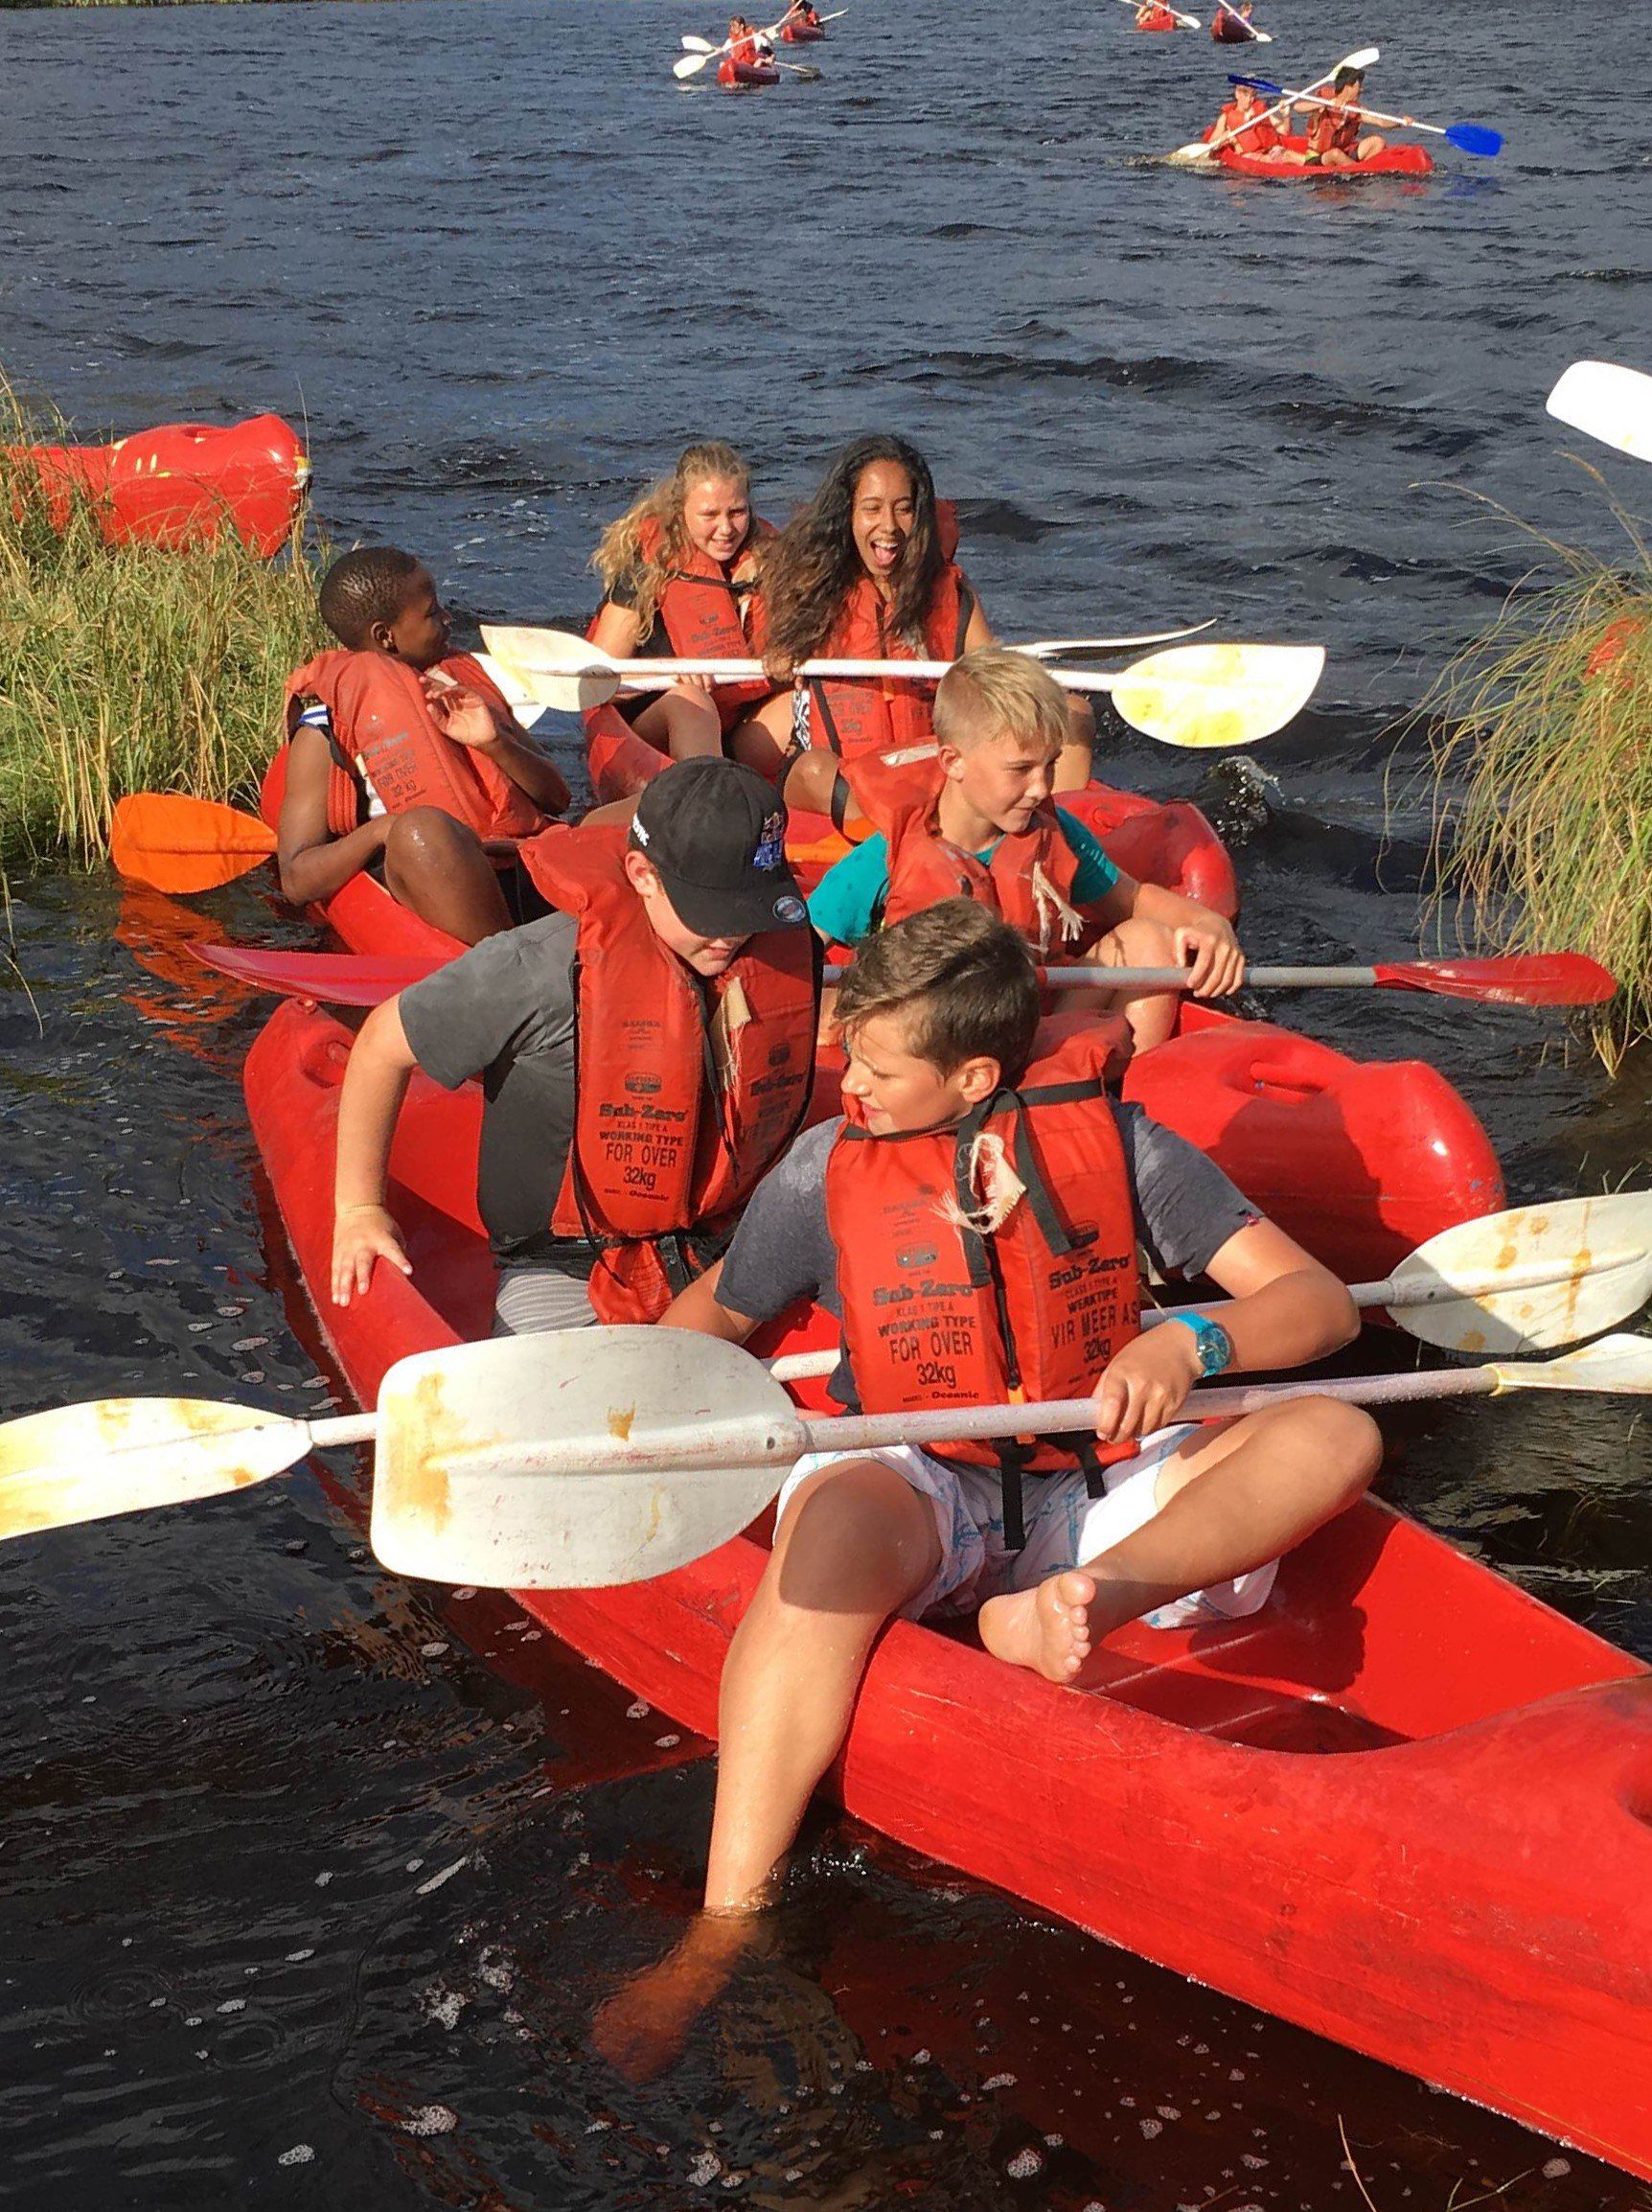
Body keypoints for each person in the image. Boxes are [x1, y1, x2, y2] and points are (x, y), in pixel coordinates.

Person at [596, 904, 1377, 2064]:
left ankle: (1087, 1601)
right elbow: (718, 1313)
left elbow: (1316, 1305)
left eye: (875, 1063)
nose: (845, 1079)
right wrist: (637, 1409)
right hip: (922, 1476)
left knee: (1335, 1434)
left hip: (1089, 1479)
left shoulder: (1124, 1147)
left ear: (971, 1072)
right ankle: (720, 1931)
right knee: (835, 1526)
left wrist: (1187, 1346)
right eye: (849, 1051)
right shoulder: (825, 1169)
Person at [329, 757, 821, 1335]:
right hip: (571, 1265)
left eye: (750, 911)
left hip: (725, 1239)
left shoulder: (777, 950)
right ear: (642, 875)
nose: (732, 934)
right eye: (712, 912)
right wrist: (360, 1210)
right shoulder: (538, 969)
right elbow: (382, 1044)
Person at [807, 649, 1244, 1056]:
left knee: (1148, 939)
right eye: (1020, 770)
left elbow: (1131, 900)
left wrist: (1206, 922)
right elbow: (801, 951)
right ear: (952, 761)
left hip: (1036, 1035)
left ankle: (1118, 1100)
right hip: (939, 1052)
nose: (1042, 788)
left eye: (1050, 764)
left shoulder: (1056, 834)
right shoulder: (884, 858)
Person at [730, 434, 1095, 835]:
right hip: (842, 773)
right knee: (813, 768)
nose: (889, 526)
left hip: (926, 766)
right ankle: (903, 845)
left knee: (1075, 712)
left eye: (903, 509)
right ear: (848, 514)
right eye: (872, 509)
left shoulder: (949, 592)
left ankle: (1054, 843)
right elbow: (756, 671)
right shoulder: (810, 584)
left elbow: (994, 678)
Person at [273, 547, 570, 945]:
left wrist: (496, 743)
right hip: (437, 884)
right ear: (385, 636)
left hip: (520, 865)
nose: (448, 618)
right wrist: (384, 829)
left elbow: (557, 799)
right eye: (432, 613)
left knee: (657, 799)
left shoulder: (462, 688)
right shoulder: (323, 733)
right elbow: (296, 878)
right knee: (421, 829)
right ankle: (510, 975)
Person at [587, 443, 769, 769]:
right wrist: (674, 674)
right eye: (709, 515)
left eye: (737, 512)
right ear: (681, 510)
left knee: (808, 699)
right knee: (690, 700)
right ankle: (707, 806)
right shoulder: (648, 566)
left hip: (735, 726)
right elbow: (597, 681)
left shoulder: (771, 561)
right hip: (654, 728)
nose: (726, 529)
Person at [1299, 68, 1385, 167]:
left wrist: (1401, 122)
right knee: (1335, 154)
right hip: (1318, 158)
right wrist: (1324, 104)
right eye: (1358, 86)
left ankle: (1354, 166)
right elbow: (1298, 107)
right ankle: (1360, 171)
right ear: (1348, 87)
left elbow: (1380, 121)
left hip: (1342, 153)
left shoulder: (1355, 109)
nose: (1361, 89)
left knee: (1378, 141)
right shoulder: (1323, 103)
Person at [1208, 79, 1282, 157]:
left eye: (1253, 96)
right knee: (1285, 157)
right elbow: (1211, 145)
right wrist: (1224, 138)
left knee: (1287, 155)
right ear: (1237, 95)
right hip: (1251, 156)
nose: (1251, 100)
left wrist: (1286, 116)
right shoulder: (1225, 117)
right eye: (1246, 96)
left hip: (1271, 151)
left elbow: (1284, 131)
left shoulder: (1260, 110)